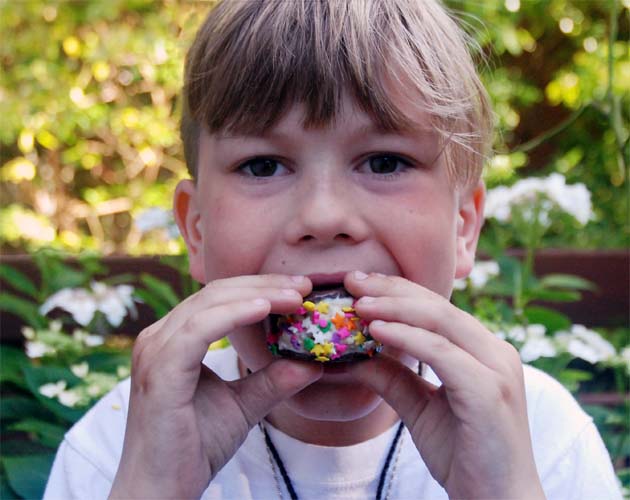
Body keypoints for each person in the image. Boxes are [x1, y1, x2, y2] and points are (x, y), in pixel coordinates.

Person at [44, 0, 621, 498]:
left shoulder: (541, 444)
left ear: (463, 228)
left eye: (386, 161)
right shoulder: (118, 451)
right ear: (196, 231)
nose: (322, 218)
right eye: (263, 165)